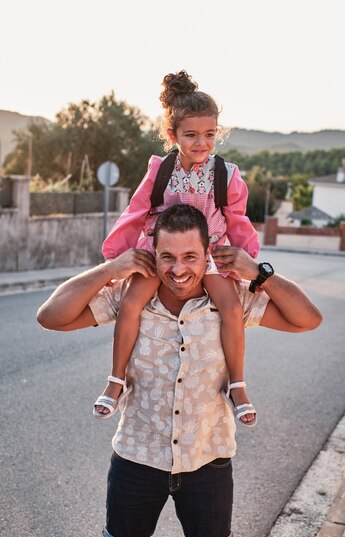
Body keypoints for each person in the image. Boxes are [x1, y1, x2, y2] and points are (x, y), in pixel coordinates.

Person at [37, 204, 322, 537]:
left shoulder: (232, 304)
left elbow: (308, 319)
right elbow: (51, 317)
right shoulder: (127, 298)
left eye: (190, 256)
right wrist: (110, 269)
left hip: (208, 457)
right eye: (167, 256)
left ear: (208, 254)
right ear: (153, 253)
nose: (178, 268)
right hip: (138, 453)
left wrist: (257, 272)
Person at [93, 70, 261, 427]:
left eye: (209, 134)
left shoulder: (225, 175)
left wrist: (247, 260)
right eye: (191, 135)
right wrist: (115, 259)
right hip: (161, 252)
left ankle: (238, 385)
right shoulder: (160, 170)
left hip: (210, 251)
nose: (201, 142)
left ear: (217, 132)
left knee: (231, 307)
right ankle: (116, 380)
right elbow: (137, 211)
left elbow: (237, 218)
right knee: (130, 304)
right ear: (173, 134)